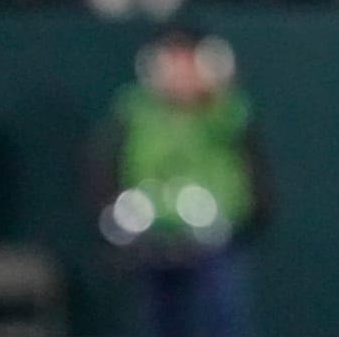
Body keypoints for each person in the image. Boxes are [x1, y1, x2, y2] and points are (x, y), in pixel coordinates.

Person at [87, 26, 272, 337]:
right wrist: (115, 215)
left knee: (223, 320)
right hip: (152, 240)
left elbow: (253, 169)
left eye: (188, 63)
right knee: (162, 322)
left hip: (214, 244)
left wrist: (251, 216)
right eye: (172, 63)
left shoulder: (228, 112)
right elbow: (103, 165)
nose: (180, 74)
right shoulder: (133, 111)